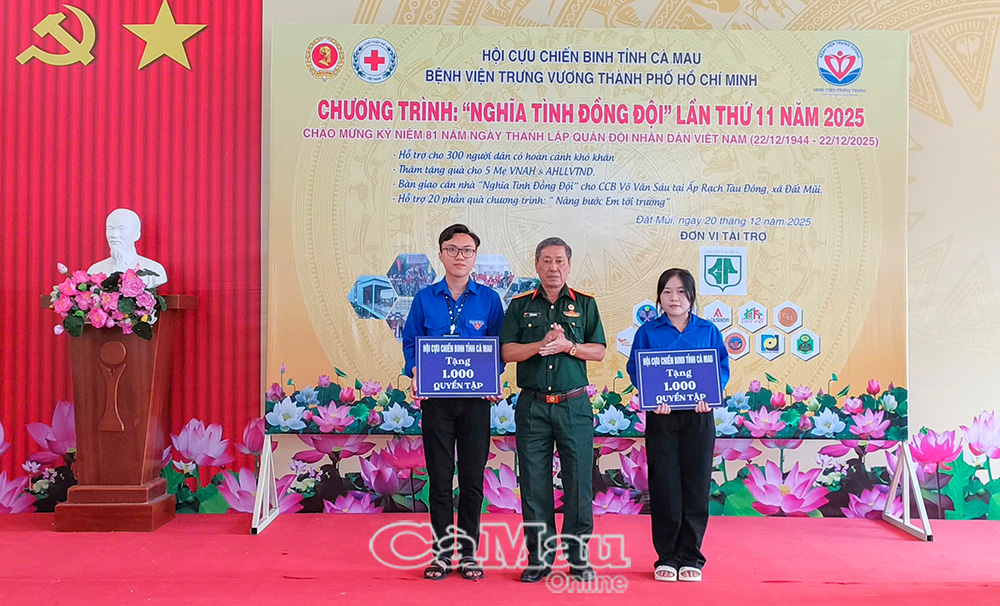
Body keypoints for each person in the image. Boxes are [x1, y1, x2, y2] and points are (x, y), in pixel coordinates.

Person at [402, 224, 505, 581]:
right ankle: (442, 554)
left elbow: (499, 346)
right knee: (441, 478)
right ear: (441, 254)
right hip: (437, 403)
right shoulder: (424, 299)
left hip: (476, 402)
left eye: (467, 250)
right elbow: (411, 343)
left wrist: (494, 377)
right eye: (452, 249)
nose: (460, 256)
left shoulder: (489, 300)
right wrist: (416, 371)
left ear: (475, 256)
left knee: (472, 479)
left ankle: (469, 554)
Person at [500, 237, 606, 583]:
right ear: (536, 264)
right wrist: (541, 344)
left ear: (569, 265)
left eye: (560, 261)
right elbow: (507, 352)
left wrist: (568, 346)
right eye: (546, 261)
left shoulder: (585, 304)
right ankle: (539, 559)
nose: (553, 268)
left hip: (573, 405)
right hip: (532, 406)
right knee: (534, 485)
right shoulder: (520, 305)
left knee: (578, 484)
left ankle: (578, 558)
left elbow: (598, 351)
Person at [625, 268, 730, 583]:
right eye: (667, 292)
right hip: (662, 417)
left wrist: (710, 395)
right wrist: (651, 394)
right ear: (659, 297)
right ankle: (667, 557)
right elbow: (636, 368)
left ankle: (691, 557)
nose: (674, 298)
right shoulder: (648, 332)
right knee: (665, 486)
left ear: (692, 296)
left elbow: (721, 368)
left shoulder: (708, 330)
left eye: (681, 292)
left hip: (699, 417)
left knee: (696, 486)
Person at [87, 208, 167, 287]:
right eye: (109, 229)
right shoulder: (95, 271)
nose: (113, 235)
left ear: (136, 234)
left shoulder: (155, 270)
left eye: (121, 229)